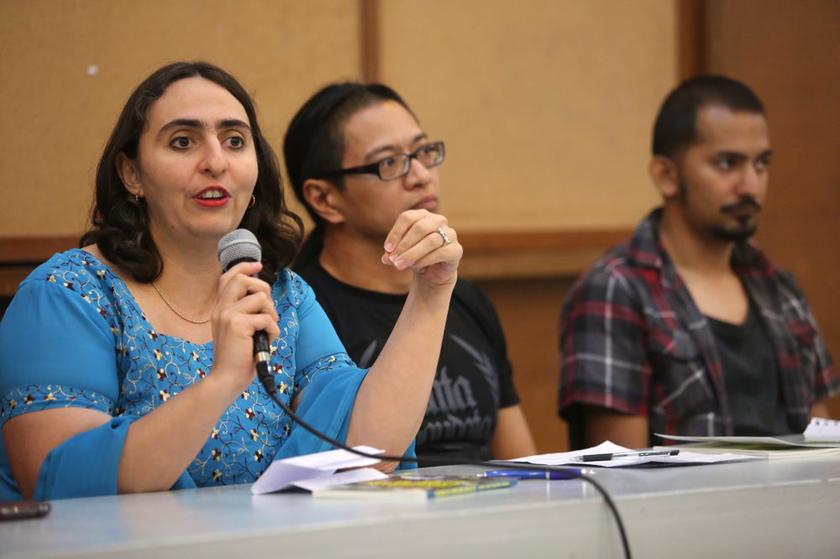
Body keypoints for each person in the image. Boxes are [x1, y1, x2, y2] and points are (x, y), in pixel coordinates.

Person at [0, 61, 463, 501]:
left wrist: (432, 290)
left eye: (235, 141)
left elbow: (366, 448)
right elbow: (59, 480)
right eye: (183, 142)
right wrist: (222, 380)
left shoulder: (284, 295)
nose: (216, 162)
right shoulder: (67, 295)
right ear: (132, 173)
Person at [558, 75, 839, 449]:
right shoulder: (616, 290)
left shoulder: (780, 288)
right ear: (666, 175)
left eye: (762, 164)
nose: (751, 185)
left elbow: (823, 448)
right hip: (679, 506)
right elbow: (617, 475)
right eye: (728, 164)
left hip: (795, 504)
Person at [283, 82, 536, 465]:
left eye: (423, 152)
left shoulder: (466, 298)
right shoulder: (304, 314)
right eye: (388, 162)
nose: (420, 175)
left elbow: (523, 463)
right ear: (324, 198)